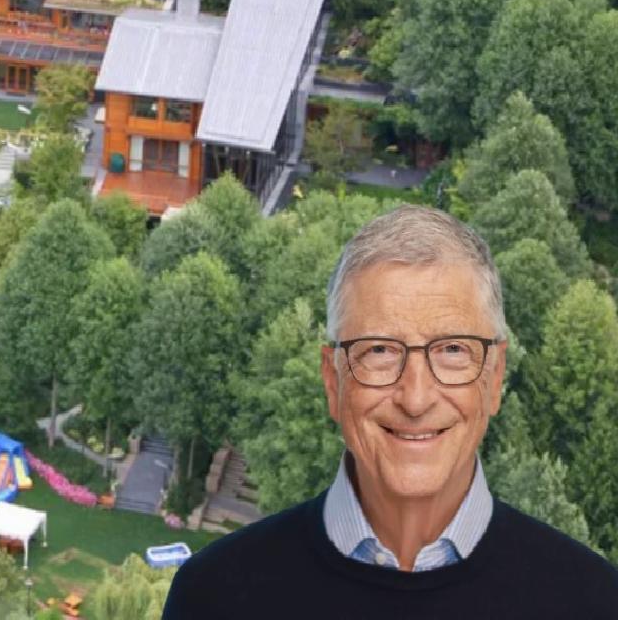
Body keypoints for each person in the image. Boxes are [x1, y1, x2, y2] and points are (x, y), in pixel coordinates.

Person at [162, 205, 618, 619]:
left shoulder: (595, 603)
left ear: (495, 377)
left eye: (453, 350)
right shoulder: (211, 598)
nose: (415, 398)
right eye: (379, 350)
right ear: (333, 381)